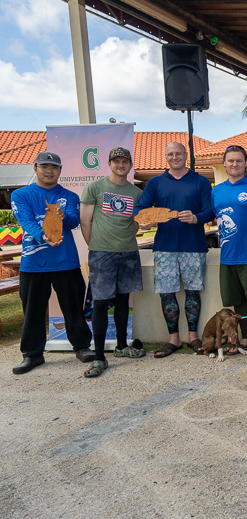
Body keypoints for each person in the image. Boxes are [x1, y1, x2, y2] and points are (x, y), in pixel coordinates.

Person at [11, 152, 94, 374]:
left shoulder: (70, 196)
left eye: (54, 167)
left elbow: (75, 222)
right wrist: (42, 234)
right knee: (33, 311)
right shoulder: (21, 195)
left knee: (74, 308)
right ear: (35, 168)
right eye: (44, 166)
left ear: (60, 171)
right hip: (33, 264)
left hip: (66, 262)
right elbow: (26, 221)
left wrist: (64, 216)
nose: (49, 171)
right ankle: (32, 354)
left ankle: (82, 347)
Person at [134, 141, 214, 358]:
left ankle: (193, 337)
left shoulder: (200, 181)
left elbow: (210, 211)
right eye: (170, 154)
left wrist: (197, 217)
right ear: (166, 157)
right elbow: (140, 208)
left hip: (194, 246)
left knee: (192, 292)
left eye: (178, 153)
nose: (175, 157)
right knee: (167, 294)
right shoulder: (155, 182)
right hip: (165, 247)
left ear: (185, 155)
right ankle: (174, 340)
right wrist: (143, 220)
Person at [79, 147, 145, 378]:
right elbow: (84, 221)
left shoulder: (136, 192)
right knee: (99, 303)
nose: (121, 164)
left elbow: (136, 222)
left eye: (125, 161)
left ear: (130, 164)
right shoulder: (95, 187)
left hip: (127, 252)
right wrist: (95, 247)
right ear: (109, 163)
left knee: (122, 300)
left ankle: (120, 346)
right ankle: (99, 357)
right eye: (116, 161)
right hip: (102, 253)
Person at [212, 145, 247, 359]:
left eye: (239, 160)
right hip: (227, 256)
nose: (234, 164)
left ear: (246, 163)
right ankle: (244, 337)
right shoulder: (217, 191)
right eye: (230, 160)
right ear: (224, 163)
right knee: (238, 300)